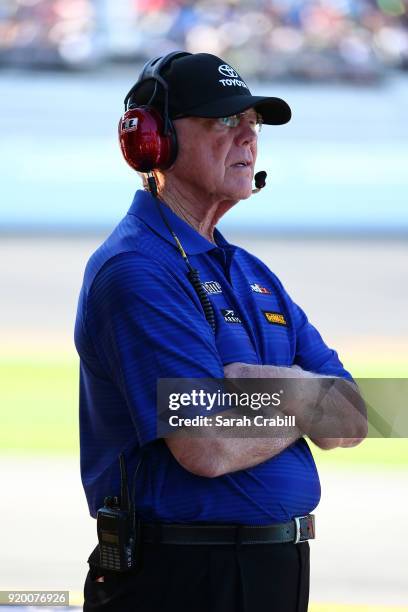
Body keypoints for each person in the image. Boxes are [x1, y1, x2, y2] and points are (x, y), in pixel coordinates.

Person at [74, 52, 367, 612]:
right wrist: (308, 394)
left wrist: (252, 385)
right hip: (182, 576)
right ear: (152, 143)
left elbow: (356, 415)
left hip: (276, 569)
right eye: (224, 122)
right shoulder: (136, 269)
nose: (248, 140)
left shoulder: (254, 273)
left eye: (254, 126)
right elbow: (205, 443)